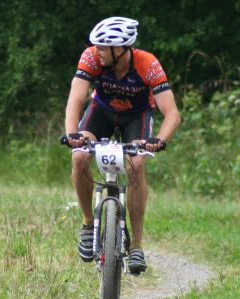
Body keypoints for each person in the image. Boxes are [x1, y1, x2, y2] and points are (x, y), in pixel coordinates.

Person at [63, 16, 181, 274]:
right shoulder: (91, 58)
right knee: (79, 156)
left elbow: (172, 114)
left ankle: (136, 244)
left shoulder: (148, 64)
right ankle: (87, 224)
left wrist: (158, 140)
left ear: (120, 49)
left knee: (136, 165)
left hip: (136, 118)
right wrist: (72, 134)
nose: (97, 51)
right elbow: (76, 98)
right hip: (101, 113)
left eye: (102, 48)